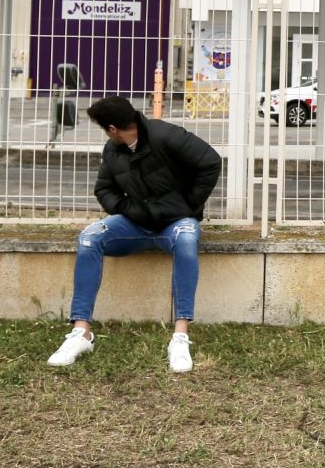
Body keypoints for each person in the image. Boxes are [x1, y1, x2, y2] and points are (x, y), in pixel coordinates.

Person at [47, 96, 222, 374]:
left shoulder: (166, 135)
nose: (106, 135)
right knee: (90, 237)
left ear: (113, 128)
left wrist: (188, 206)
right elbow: (104, 189)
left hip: (177, 223)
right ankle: (82, 333)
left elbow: (210, 162)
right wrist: (132, 210)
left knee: (187, 239)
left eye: (105, 129)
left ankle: (179, 337)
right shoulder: (113, 150)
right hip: (136, 224)